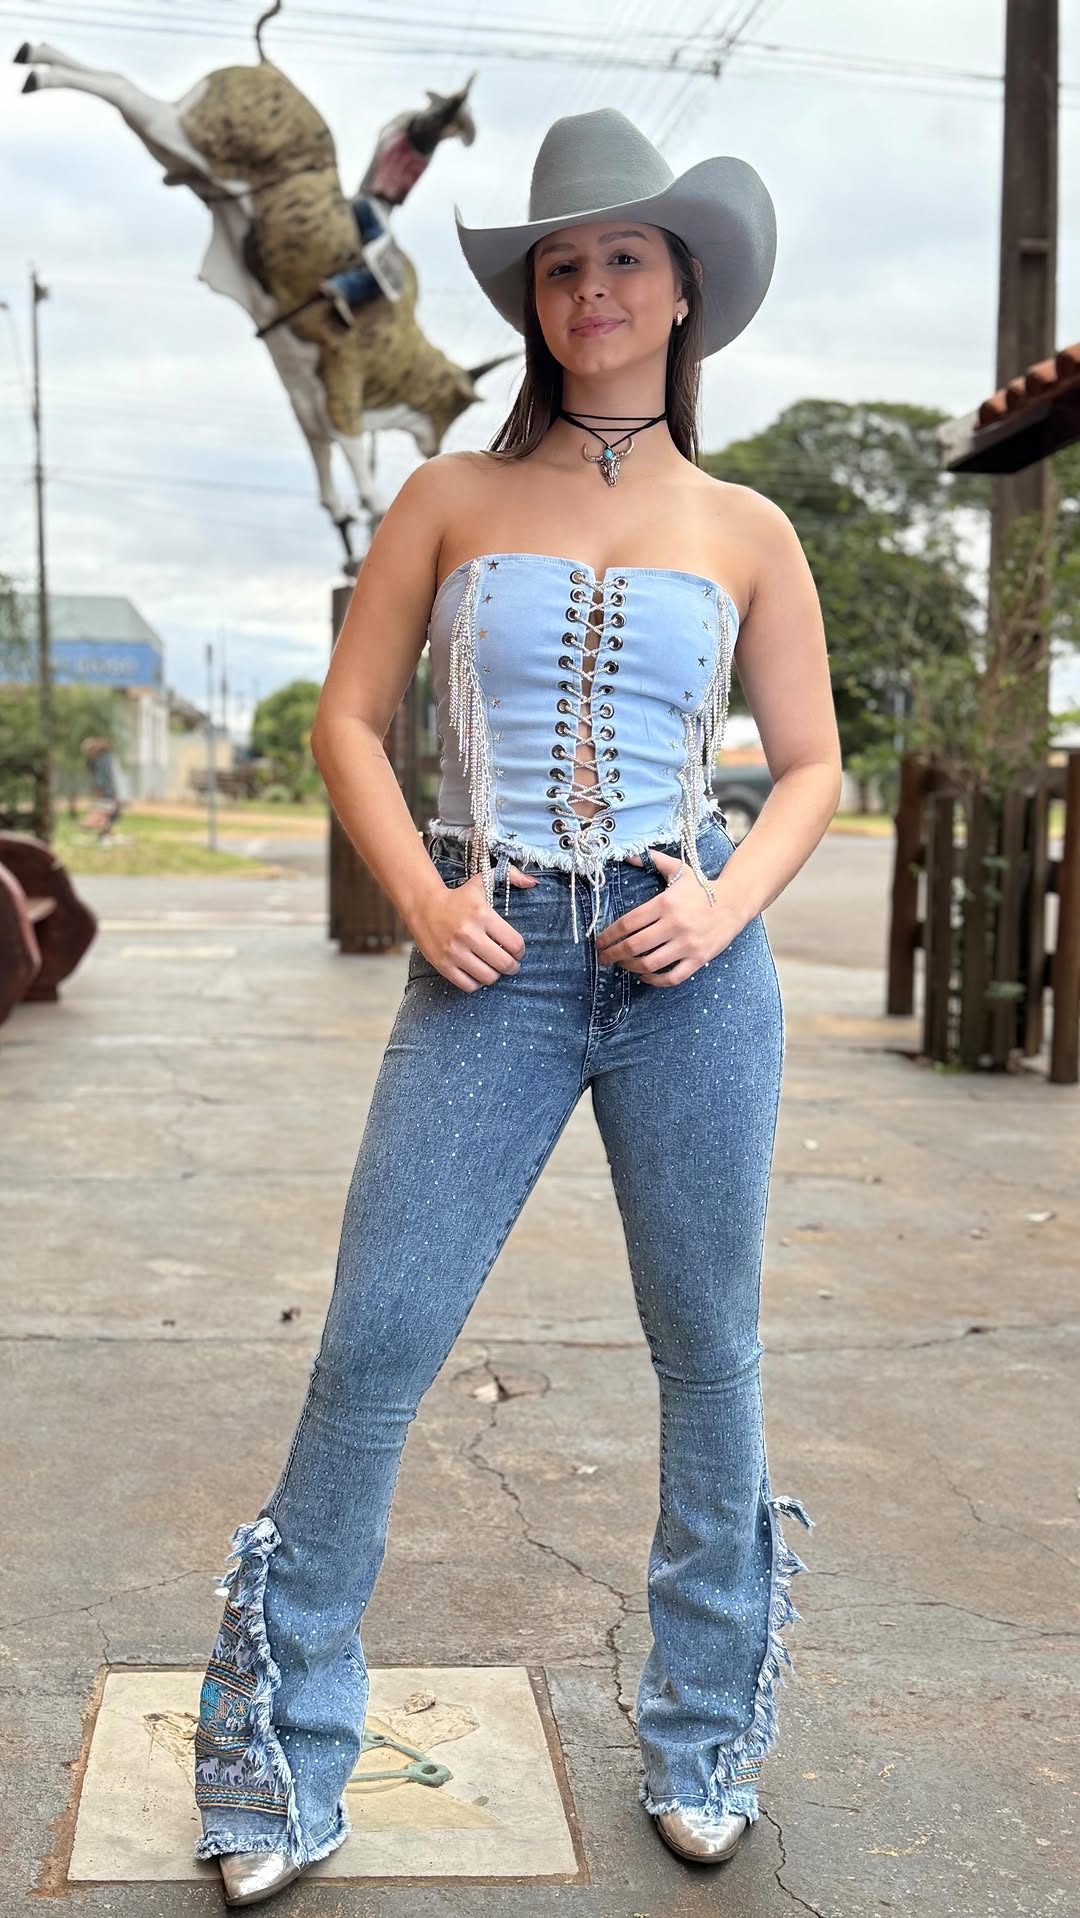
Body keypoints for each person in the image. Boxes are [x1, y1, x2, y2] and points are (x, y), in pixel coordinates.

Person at [192, 107, 842, 1908]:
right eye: (562, 262)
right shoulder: (448, 499)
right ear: (536, 299)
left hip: (687, 961)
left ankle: (704, 1738)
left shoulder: (748, 527)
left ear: (684, 290)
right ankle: (280, 1758)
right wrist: (424, 894)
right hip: (494, 950)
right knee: (377, 1340)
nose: (592, 286)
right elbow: (347, 719)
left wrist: (720, 898)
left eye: (625, 255)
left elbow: (810, 767)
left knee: (708, 1350)